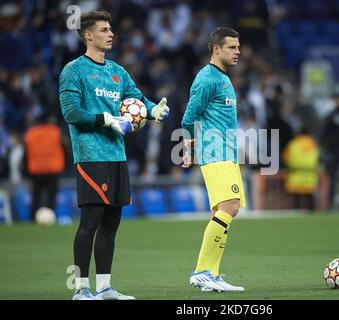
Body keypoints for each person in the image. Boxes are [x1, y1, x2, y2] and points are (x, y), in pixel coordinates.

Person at [58, 11, 169, 300]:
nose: (111, 34)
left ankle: (104, 287)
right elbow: (71, 112)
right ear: (88, 35)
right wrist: (107, 119)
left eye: (111, 29)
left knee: (111, 224)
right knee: (90, 221)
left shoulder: (118, 71)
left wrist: (154, 110)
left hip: (117, 156)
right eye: (104, 29)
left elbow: (138, 98)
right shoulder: (74, 70)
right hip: (90, 155)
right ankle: (80, 290)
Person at [181, 27, 245, 292]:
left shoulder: (223, 78)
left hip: (226, 154)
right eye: (232, 47)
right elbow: (188, 116)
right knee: (229, 207)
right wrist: (188, 145)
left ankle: (211, 274)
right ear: (216, 49)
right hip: (215, 153)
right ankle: (203, 271)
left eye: (238, 47)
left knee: (226, 210)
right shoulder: (207, 78)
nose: (238, 51)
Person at [24, 113, 64, 221]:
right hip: (53, 169)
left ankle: (33, 218)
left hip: (35, 171)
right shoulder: (55, 131)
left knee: (36, 196)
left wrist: (26, 172)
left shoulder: (30, 133)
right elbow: (64, 149)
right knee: (51, 197)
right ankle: (50, 217)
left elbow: (26, 154)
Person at [283, 128, 319, 211]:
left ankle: (296, 214)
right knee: (310, 200)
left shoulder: (293, 144)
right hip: (310, 176)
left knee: (296, 202)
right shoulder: (313, 144)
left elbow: (286, 158)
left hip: (295, 176)